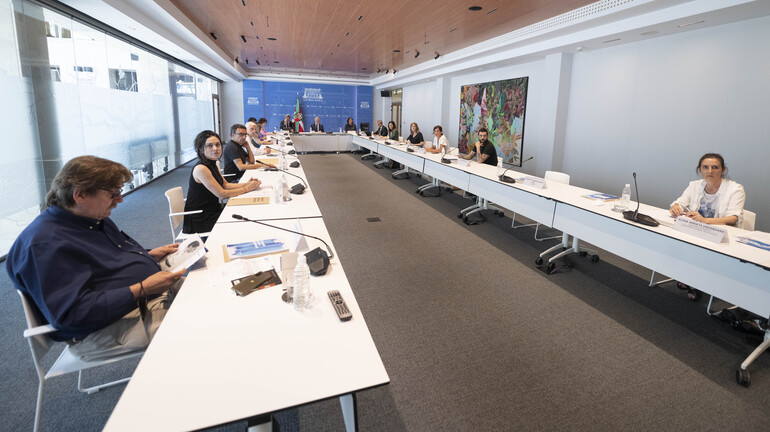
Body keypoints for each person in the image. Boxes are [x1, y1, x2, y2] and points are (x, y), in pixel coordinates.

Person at [6, 156, 186, 361]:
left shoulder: (90, 217)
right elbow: (72, 315)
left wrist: (148, 254)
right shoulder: (45, 245)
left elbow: (108, 258)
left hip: (142, 298)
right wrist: (142, 289)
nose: (120, 199)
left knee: (205, 288)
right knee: (197, 324)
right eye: (113, 193)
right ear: (80, 195)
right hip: (105, 327)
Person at [669, 153, 745, 300]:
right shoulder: (694, 185)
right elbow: (680, 202)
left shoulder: (735, 189)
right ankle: (688, 277)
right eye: (705, 167)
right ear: (700, 169)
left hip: (721, 235)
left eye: (715, 167)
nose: (710, 171)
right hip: (696, 231)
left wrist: (706, 221)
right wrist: (676, 207)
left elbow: (734, 218)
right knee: (676, 240)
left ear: (723, 170)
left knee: (695, 248)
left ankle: (694, 281)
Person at [183, 130, 261, 234]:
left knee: (246, 210)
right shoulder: (201, 168)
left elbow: (225, 185)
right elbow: (222, 194)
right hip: (201, 218)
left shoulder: (211, 163)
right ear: (201, 149)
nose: (215, 148)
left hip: (213, 209)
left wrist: (247, 184)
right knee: (244, 220)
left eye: (217, 144)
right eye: (210, 146)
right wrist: (247, 188)